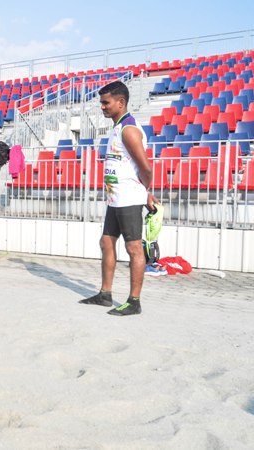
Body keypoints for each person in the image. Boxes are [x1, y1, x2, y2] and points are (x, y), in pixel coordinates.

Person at [79, 81, 157, 316]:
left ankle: (134, 301)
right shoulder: (116, 127)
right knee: (106, 242)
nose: (102, 107)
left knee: (134, 248)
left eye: (106, 102)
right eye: (101, 102)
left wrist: (145, 193)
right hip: (115, 199)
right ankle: (105, 294)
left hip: (129, 199)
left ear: (120, 103)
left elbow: (146, 169)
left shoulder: (129, 130)